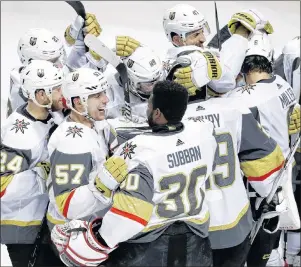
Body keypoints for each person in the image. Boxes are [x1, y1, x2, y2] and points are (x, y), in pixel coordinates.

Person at [51, 80, 218, 267]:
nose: (146, 108)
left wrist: (98, 239)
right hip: (197, 244)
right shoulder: (203, 135)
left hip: (150, 248)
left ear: (157, 112)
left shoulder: (137, 151)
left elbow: (131, 216)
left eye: (149, 104)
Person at [226, 33, 300, 267]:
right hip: (284, 169)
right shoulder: (282, 84)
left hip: (259, 180)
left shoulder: (243, 98)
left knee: (258, 248)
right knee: (273, 240)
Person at [1, 60, 65, 267]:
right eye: (56, 89)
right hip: (22, 228)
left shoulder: (48, 118)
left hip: (40, 223)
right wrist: (45, 172)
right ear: (40, 95)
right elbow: (4, 188)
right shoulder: (19, 135)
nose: (61, 93)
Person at [46, 67, 122, 236]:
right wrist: (104, 185)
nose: (106, 99)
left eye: (104, 92)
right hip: (73, 233)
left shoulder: (99, 124)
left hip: (94, 225)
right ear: (78, 102)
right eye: (97, 95)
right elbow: (67, 205)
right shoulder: (71, 141)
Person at [162, 4, 274, 96]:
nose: (203, 38)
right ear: (177, 40)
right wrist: (242, 31)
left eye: (203, 31)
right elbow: (225, 84)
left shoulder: (200, 53)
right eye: (196, 35)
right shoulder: (181, 65)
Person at [7, 28, 66, 116]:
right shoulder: (24, 90)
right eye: (53, 60)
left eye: (58, 58)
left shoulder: (30, 78)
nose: (59, 65)